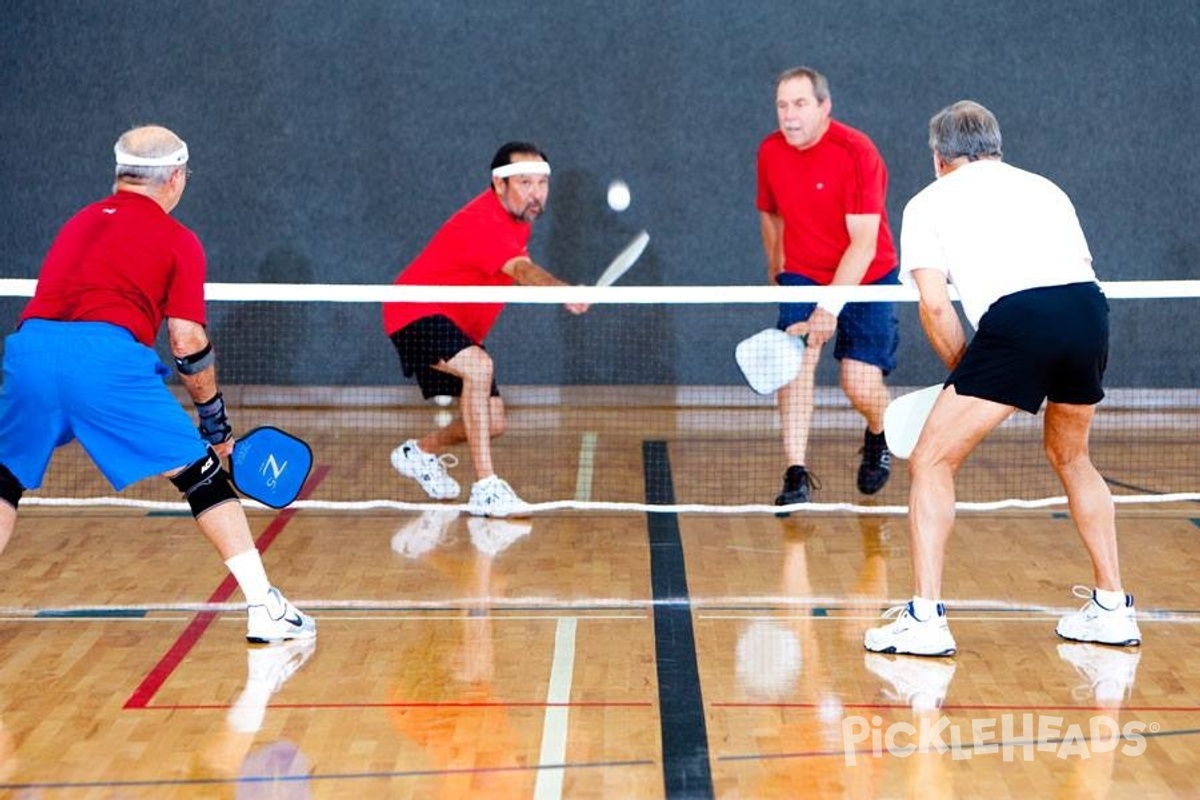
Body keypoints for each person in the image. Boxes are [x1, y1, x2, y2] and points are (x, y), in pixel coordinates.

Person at [0, 125, 315, 645]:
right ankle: (264, 608)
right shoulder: (178, 239)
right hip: (104, 357)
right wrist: (216, 424)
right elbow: (187, 340)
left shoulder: (78, 222)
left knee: (5, 480)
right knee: (202, 475)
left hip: (29, 350)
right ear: (174, 177)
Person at [864, 101, 1140, 657]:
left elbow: (936, 308)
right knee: (1073, 456)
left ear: (939, 157)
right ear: (995, 146)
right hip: (1089, 314)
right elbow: (1076, 271)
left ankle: (924, 618)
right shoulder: (1046, 189)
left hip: (1020, 321)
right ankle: (1113, 607)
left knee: (932, 459)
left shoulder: (927, 201)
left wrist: (969, 374)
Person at [384, 141, 588, 518]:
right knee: (478, 367)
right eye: (525, 183)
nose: (536, 194)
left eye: (542, 184)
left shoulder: (516, 221)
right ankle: (486, 488)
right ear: (499, 184)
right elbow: (522, 271)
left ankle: (419, 452)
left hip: (456, 326)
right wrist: (563, 291)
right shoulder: (483, 222)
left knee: (493, 421)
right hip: (414, 312)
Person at [756, 66, 900, 507]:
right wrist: (777, 266)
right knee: (794, 369)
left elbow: (862, 242)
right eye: (782, 105)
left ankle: (879, 432)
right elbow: (770, 212)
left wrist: (828, 308)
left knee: (857, 381)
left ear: (824, 107)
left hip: (868, 272)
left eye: (800, 104)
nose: (789, 115)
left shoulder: (857, 152)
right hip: (803, 270)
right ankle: (795, 473)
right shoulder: (770, 151)